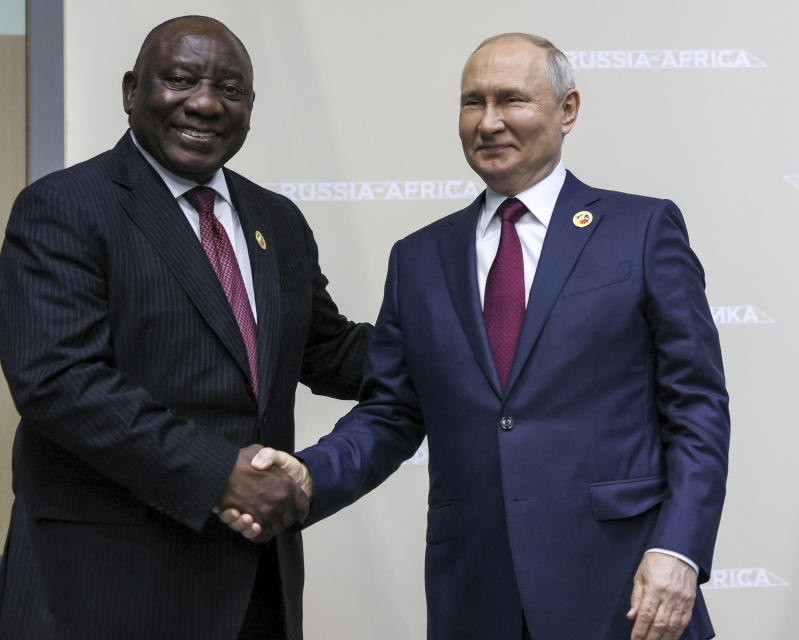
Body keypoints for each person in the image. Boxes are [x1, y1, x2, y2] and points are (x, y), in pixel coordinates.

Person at [227, 32, 729, 640]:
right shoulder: (418, 258)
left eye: (511, 100)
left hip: (625, 585)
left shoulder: (642, 230)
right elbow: (390, 413)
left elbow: (696, 407)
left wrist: (679, 551)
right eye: (473, 102)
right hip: (477, 592)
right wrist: (306, 479)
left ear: (567, 110)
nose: (488, 122)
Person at [0, 15, 370, 640]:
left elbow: (328, 350)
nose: (204, 102)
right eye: (179, 79)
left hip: (253, 589)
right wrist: (218, 472)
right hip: (102, 590)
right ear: (130, 91)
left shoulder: (275, 221)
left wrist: (465, 340)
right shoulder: (63, 206)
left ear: (250, 108)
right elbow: (59, 382)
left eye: (229, 88)